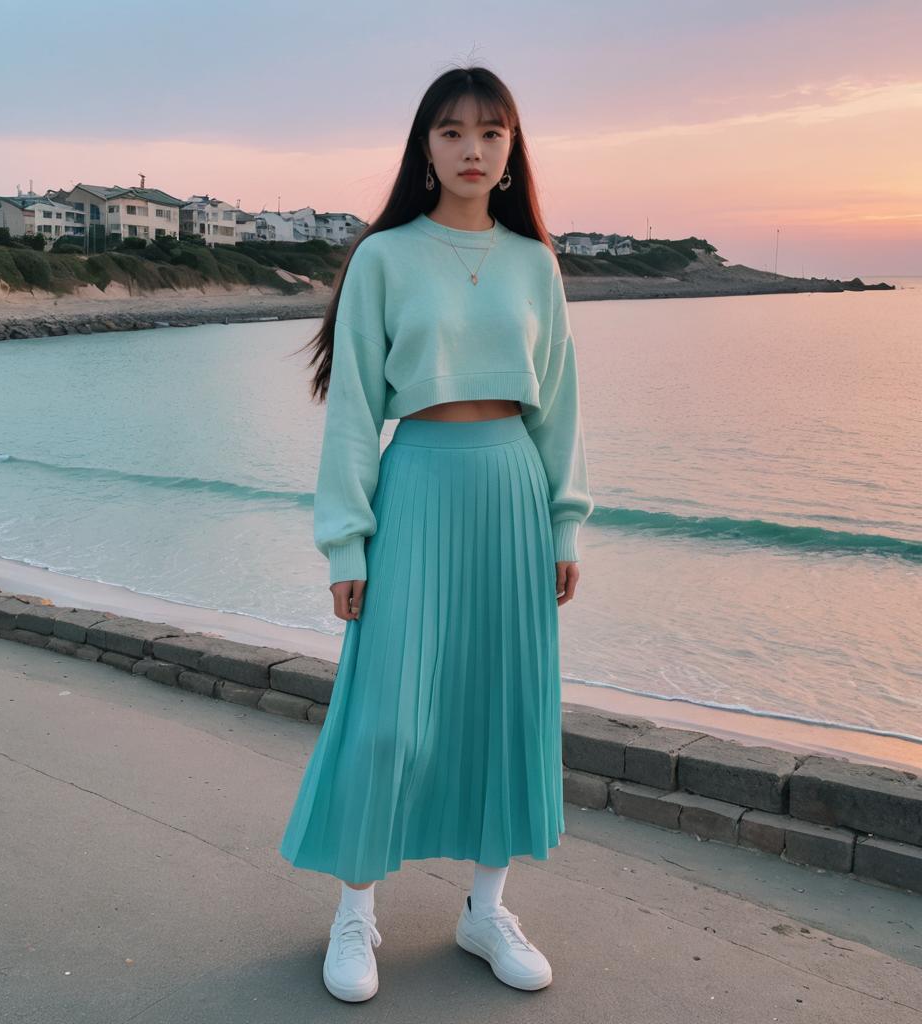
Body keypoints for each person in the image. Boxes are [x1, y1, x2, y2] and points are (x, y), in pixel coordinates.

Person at [280, 64, 595, 1002]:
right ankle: (355, 911)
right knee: (385, 720)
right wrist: (347, 542)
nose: (472, 148)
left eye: (491, 133)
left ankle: (484, 910)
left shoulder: (536, 263)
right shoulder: (384, 257)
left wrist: (564, 526)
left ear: (512, 151)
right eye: (453, 131)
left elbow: (563, 410)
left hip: (513, 492)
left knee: (506, 706)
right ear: (425, 145)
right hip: (416, 484)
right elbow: (353, 415)